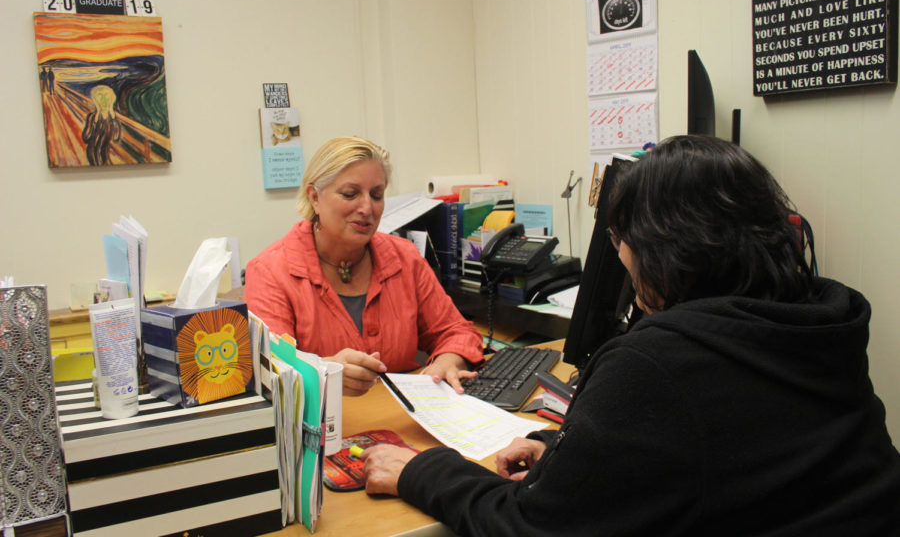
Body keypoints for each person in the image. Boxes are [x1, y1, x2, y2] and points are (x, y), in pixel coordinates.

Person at [360, 135, 900, 536]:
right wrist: (570, 450)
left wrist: (423, 471)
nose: (619, 257)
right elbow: (732, 449)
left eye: (621, 239)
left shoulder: (659, 361)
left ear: (670, 247)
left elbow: (534, 529)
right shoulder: (818, 323)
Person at [244, 136, 484, 396]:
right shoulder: (270, 271)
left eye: (377, 195)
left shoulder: (404, 257)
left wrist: (447, 362)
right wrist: (324, 371)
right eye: (350, 194)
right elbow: (271, 370)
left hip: (406, 418)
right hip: (325, 428)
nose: (367, 208)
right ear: (314, 197)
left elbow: (455, 331)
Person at [82, 84, 121, 165]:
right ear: (96, 100)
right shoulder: (92, 117)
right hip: (92, 153)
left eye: (106, 95)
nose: (104, 99)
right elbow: (86, 138)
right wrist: (95, 120)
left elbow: (115, 138)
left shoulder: (112, 118)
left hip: (106, 153)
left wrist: (112, 116)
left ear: (111, 99)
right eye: (100, 96)